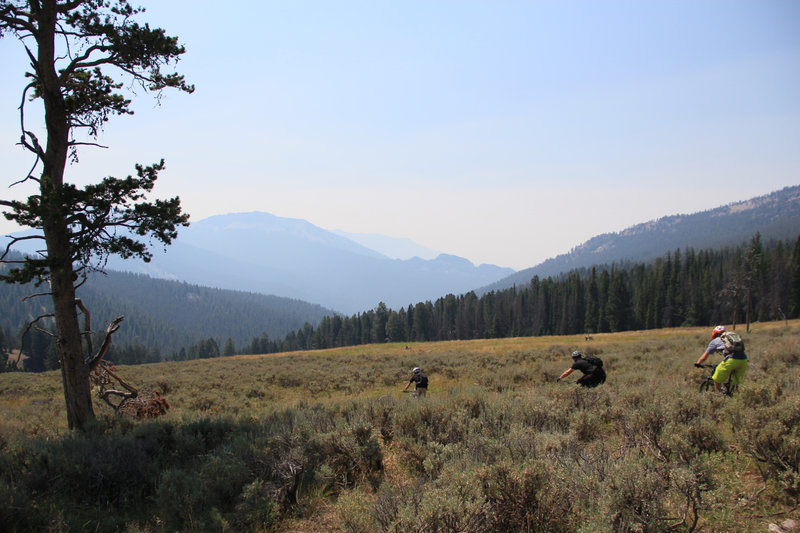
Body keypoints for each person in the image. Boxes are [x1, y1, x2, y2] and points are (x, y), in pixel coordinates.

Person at [695, 325, 748, 393]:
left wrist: (698, 363)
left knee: (716, 379)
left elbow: (704, 357)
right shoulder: (730, 339)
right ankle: (735, 395)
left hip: (731, 360)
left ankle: (718, 395)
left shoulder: (715, 341)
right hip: (744, 360)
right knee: (736, 383)